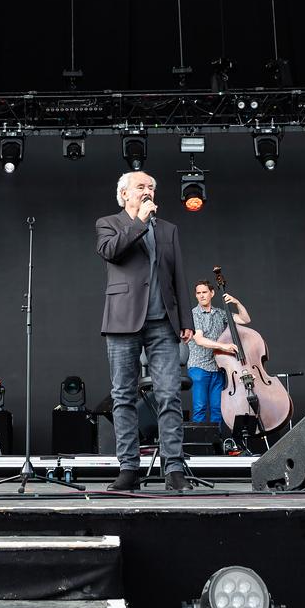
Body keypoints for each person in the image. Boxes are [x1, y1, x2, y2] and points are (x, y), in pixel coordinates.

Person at [96, 171, 194, 492]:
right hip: (123, 320)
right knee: (123, 396)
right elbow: (111, 252)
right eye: (141, 187)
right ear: (124, 194)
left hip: (163, 323)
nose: (148, 191)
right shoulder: (109, 223)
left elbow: (178, 275)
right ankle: (129, 468)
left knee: (168, 396)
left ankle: (174, 469)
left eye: (151, 186)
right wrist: (138, 221)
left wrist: (186, 321)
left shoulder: (168, 229)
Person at [188, 280, 251, 426]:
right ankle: (202, 447)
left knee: (218, 409)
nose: (201, 296)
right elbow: (199, 340)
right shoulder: (194, 314)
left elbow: (245, 319)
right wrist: (224, 346)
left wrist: (237, 302)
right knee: (200, 408)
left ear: (212, 293)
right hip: (199, 367)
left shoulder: (220, 314)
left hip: (218, 367)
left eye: (204, 292)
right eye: (198, 293)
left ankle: (218, 445)